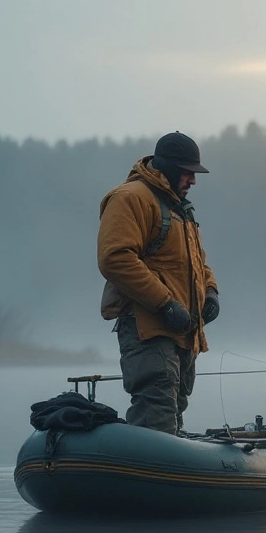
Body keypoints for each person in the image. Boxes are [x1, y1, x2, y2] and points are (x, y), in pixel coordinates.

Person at [97, 132, 219, 434]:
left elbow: (196, 262)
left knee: (173, 413)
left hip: (183, 332)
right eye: (189, 173)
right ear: (170, 168)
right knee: (156, 413)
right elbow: (115, 257)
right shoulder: (131, 198)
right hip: (147, 329)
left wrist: (211, 291)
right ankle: (145, 476)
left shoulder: (180, 208)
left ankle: (168, 476)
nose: (193, 181)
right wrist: (165, 304)